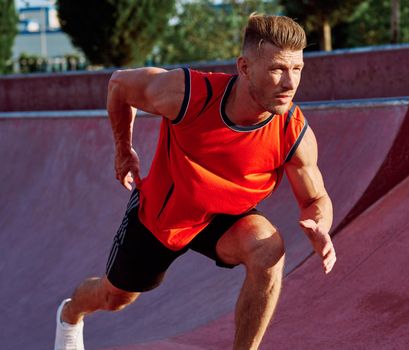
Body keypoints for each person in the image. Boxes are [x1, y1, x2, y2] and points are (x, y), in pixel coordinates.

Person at [54, 14, 336, 350]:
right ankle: (69, 315)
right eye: (277, 69)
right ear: (244, 68)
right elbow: (118, 85)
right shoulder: (189, 95)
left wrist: (321, 225)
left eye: (297, 69)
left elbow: (316, 199)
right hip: (163, 217)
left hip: (225, 219)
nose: (290, 83)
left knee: (269, 249)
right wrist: (123, 151)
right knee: (114, 297)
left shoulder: (294, 133)